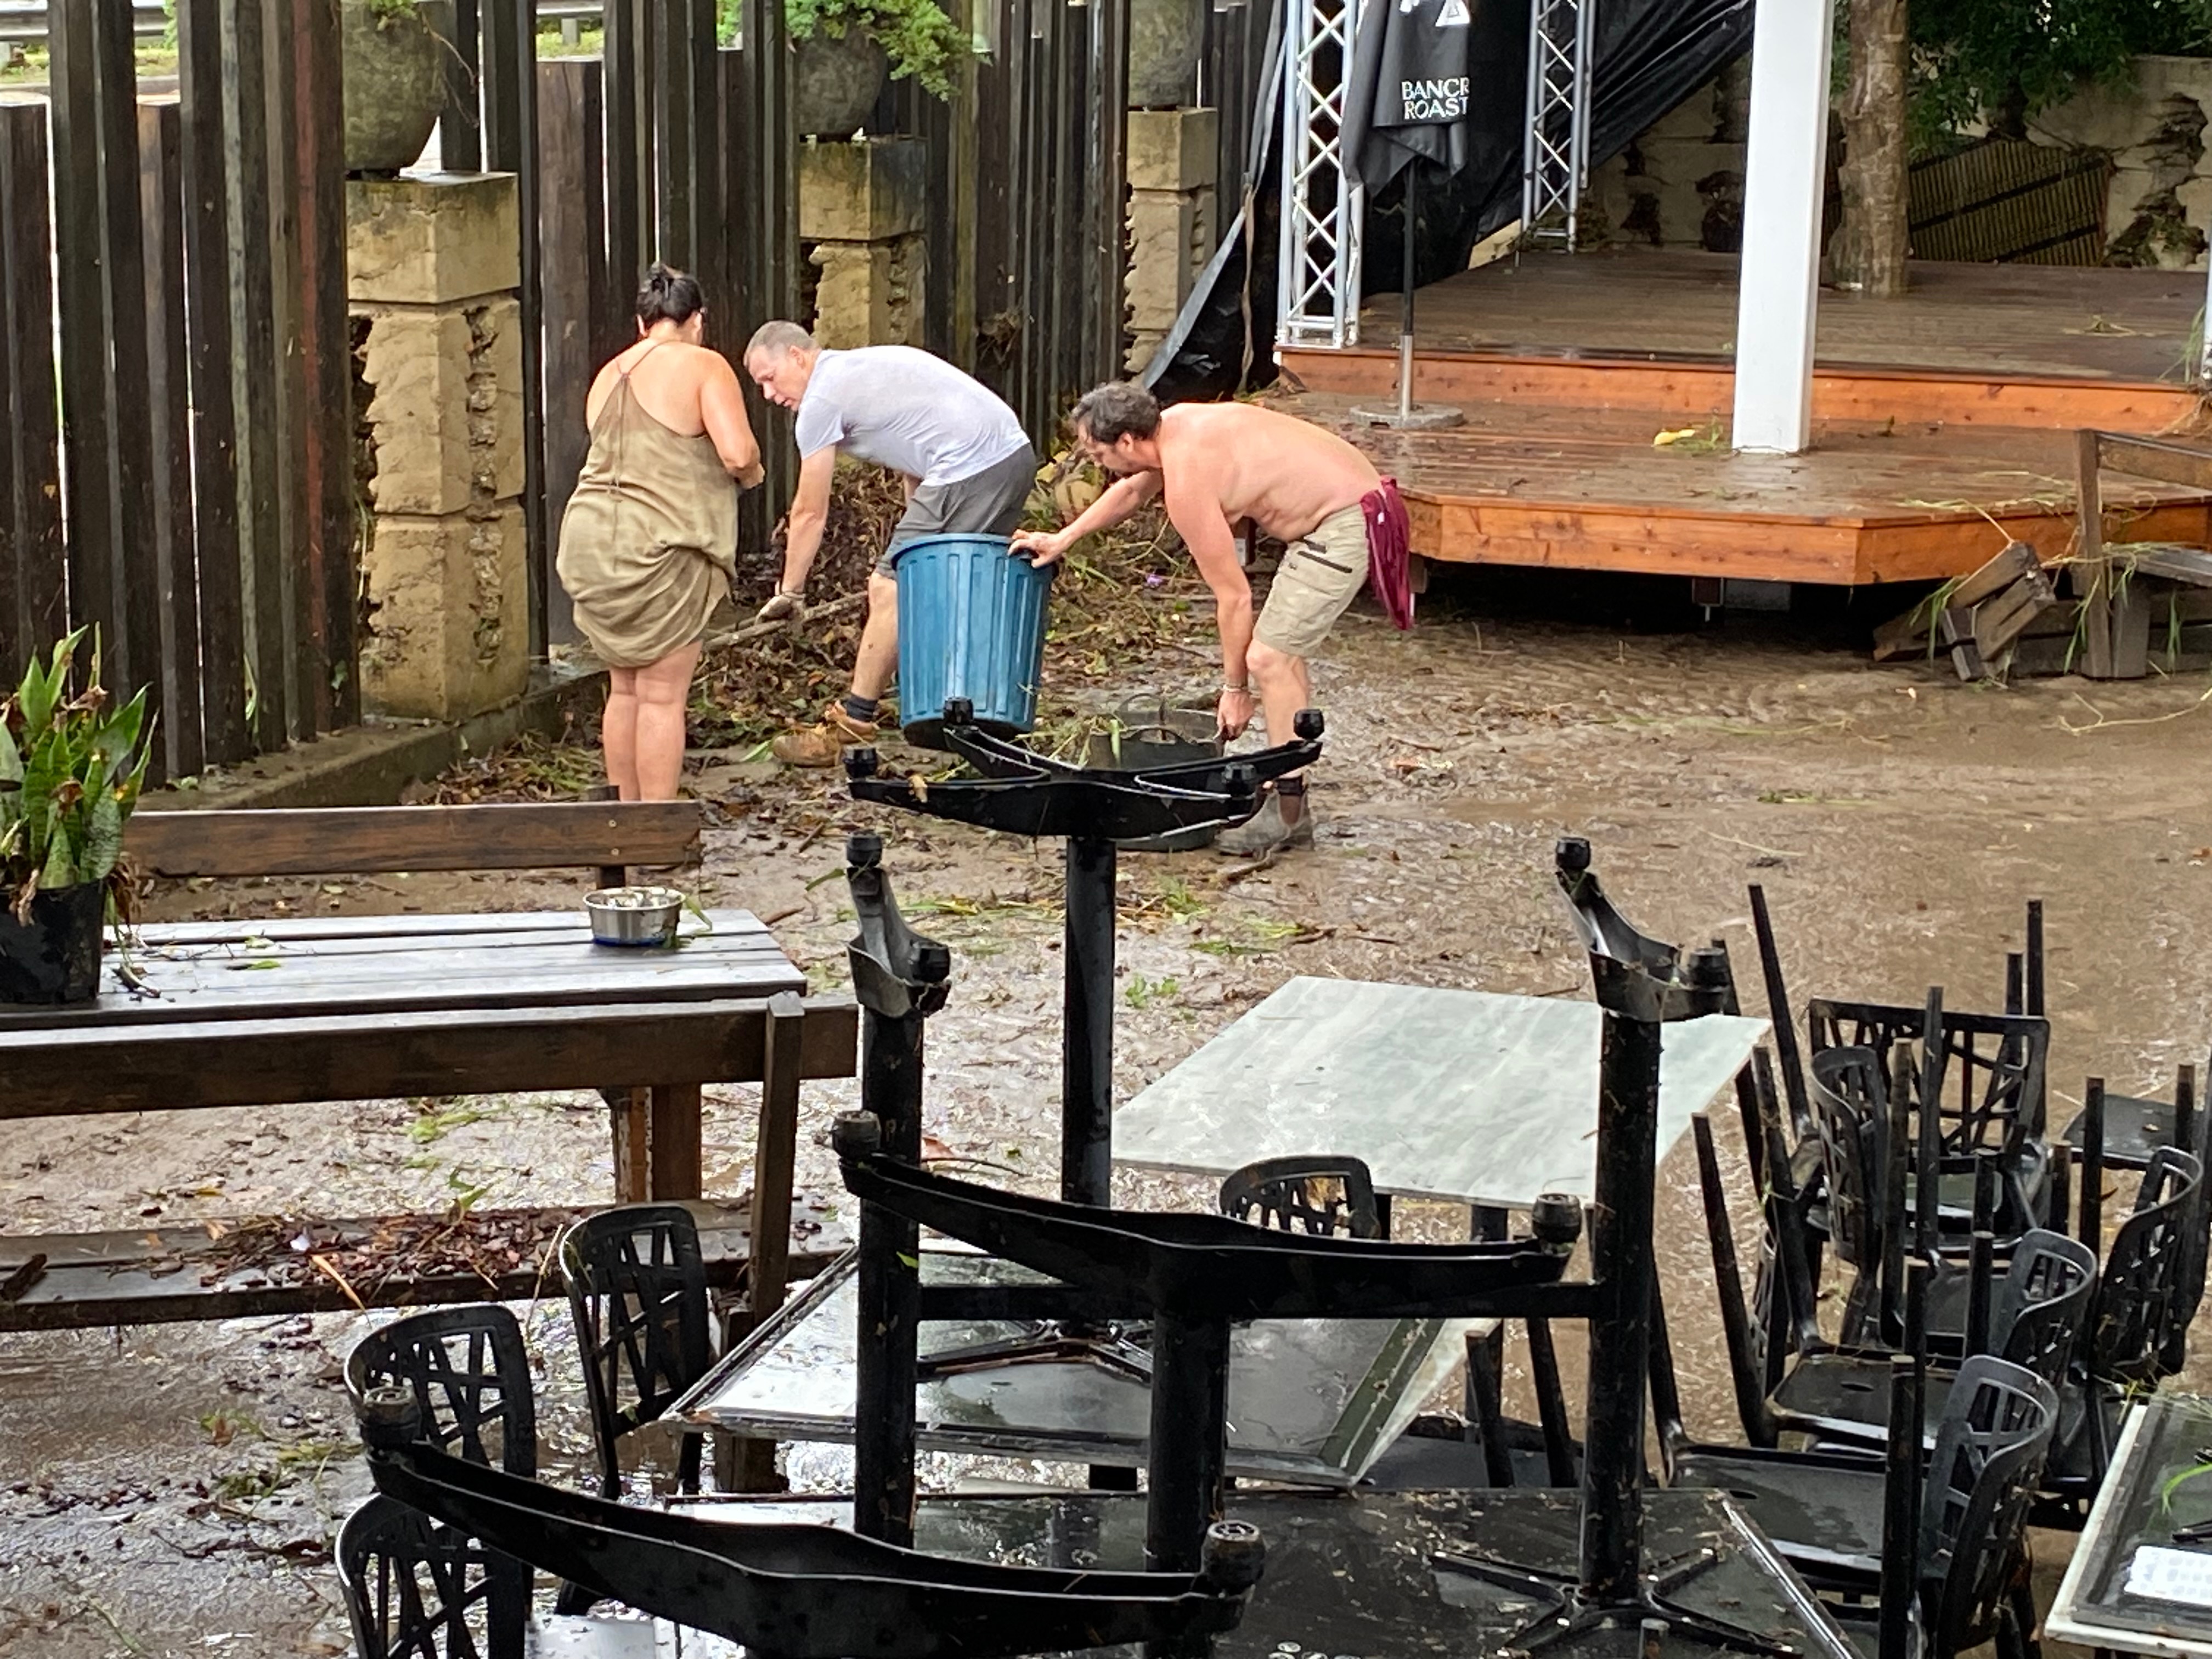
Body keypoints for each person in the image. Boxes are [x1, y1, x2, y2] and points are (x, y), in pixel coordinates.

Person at [1012, 382, 1410, 856]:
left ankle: (1287, 815)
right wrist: (1065, 538)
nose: (1097, 464)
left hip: (1349, 522)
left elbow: (1235, 597)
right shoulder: (1176, 425)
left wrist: (1235, 690)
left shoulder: (1187, 484)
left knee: (1268, 658)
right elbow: (1134, 489)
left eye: (1098, 453)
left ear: (1126, 443)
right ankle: (1287, 788)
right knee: (1281, 655)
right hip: (1350, 503)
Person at [743, 323, 1039, 766]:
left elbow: (809, 512)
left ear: (797, 356)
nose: (768, 395)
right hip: (1010, 454)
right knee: (949, 582)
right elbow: (915, 450)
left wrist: (791, 591)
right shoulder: (860, 367)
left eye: (769, 378)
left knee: (889, 587)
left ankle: (852, 721)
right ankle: (958, 706)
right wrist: (915, 532)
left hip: (971, 464)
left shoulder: (821, 400)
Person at [557, 265, 764, 801]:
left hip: (591, 543)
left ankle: (624, 823)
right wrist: (750, 474)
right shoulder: (703, 365)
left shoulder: (610, 372)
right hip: (661, 550)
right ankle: (657, 825)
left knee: (623, 689)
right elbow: (737, 452)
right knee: (661, 697)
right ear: (697, 320)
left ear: (642, 323)